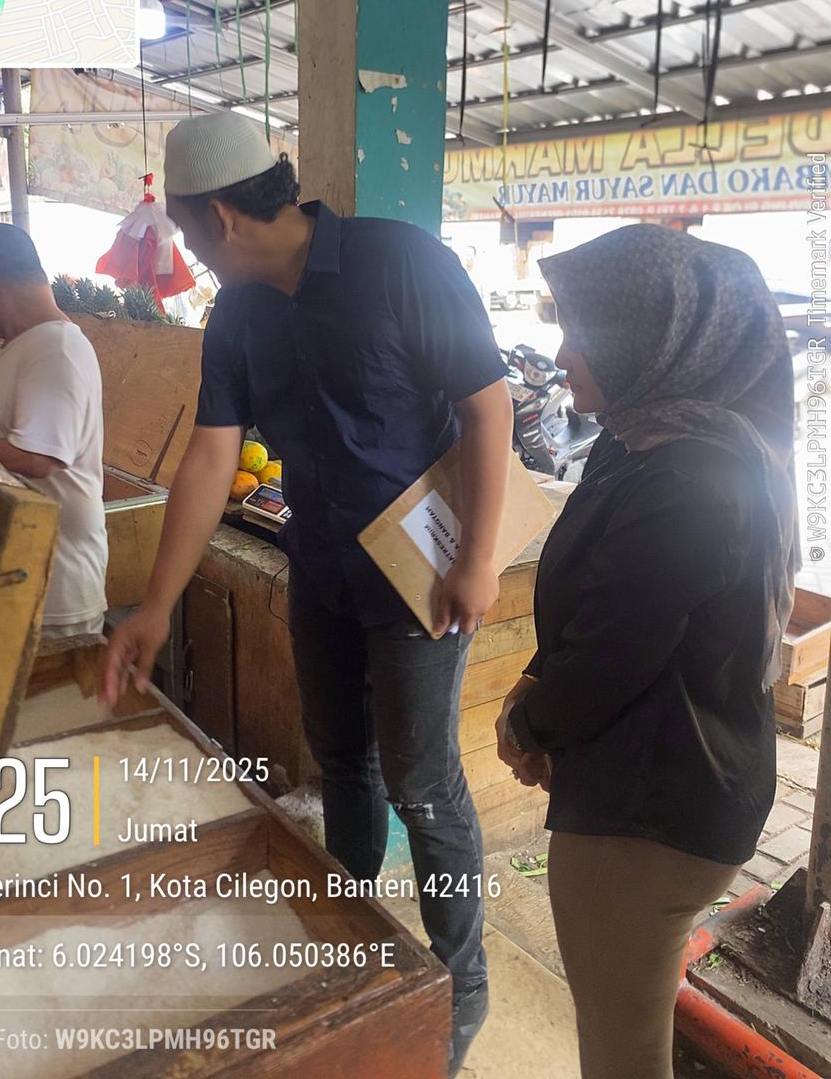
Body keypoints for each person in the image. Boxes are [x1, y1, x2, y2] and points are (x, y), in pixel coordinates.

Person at [100, 112, 513, 1075]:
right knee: (343, 765)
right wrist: (155, 607)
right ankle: (349, 934)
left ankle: (461, 985)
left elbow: (485, 403)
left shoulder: (398, 263)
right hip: (320, 569)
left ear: (217, 219)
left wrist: (479, 558)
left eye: (185, 233)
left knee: (422, 783)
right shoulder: (238, 316)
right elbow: (212, 456)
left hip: (420, 577)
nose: (187, 253)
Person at [495, 224, 797, 1079]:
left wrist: (530, 723)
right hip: (649, 784)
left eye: (584, 334)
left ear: (656, 342)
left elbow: (612, 654)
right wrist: (536, 685)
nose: (562, 355)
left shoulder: (694, 476)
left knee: (621, 1055)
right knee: (622, 1032)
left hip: (652, 814)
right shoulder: (639, 438)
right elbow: (600, 607)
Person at [0, 224, 107, 640]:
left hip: (52, 593)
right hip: (20, 577)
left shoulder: (56, 348)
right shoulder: (21, 344)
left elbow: (39, 457)